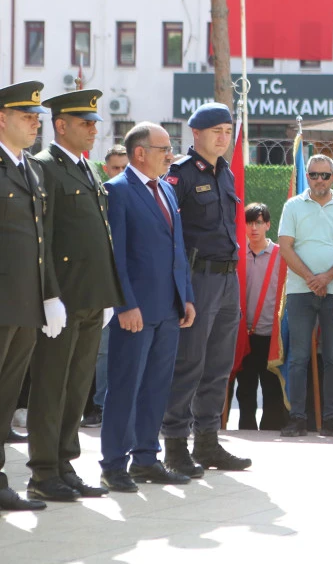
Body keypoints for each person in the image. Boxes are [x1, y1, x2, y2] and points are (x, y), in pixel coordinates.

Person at [26, 90, 124, 502]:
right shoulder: (44, 167)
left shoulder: (88, 169)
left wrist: (106, 296)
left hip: (90, 295)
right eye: (85, 122)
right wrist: (49, 295)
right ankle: (43, 470)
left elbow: (98, 237)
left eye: (94, 122)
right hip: (62, 298)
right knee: (52, 385)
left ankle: (64, 463)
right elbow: (41, 239)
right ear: (60, 125)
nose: (93, 128)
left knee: (78, 385)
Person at [101, 123, 197, 492]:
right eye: (163, 148)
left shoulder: (167, 192)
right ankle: (113, 464)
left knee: (156, 387)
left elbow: (177, 248)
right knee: (125, 386)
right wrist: (125, 304)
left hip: (169, 308)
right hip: (135, 311)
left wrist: (185, 295)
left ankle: (145, 459)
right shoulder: (118, 191)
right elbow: (115, 256)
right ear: (139, 152)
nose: (170, 154)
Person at [161, 103, 249, 477]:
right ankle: (176, 445)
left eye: (228, 131)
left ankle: (208, 442)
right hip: (197, 280)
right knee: (189, 364)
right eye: (216, 131)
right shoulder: (179, 175)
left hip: (228, 279)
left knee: (218, 366)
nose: (223, 137)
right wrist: (180, 291)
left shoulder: (226, 174)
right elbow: (168, 235)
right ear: (195, 134)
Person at [0, 81, 60, 511]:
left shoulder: (30, 169)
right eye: (26, 116)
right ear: (1, 118)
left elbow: (42, 242)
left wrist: (50, 294)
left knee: (6, 394)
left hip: (25, 302)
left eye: (37, 117)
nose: (35, 123)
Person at [277, 154, 333, 437]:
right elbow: (285, 246)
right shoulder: (293, 206)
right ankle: (297, 418)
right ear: (307, 176)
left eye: (325, 175)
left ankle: (332, 418)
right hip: (300, 291)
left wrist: (327, 277)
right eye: (314, 175)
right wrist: (312, 278)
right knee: (297, 357)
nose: (319, 180)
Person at [230, 203, 287, 431]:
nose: (254, 228)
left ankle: (270, 432)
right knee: (245, 390)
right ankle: (246, 430)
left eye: (259, 223)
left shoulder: (281, 255)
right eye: (249, 223)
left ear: (268, 225)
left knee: (272, 388)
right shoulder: (235, 255)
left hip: (270, 335)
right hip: (242, 334)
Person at [85, 144, 128, 430]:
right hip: (103, 284)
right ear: (105, 170)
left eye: (125, 168)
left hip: (132, 287)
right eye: (115, 168)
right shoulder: (99, 199)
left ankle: (126, 404)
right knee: (102, 351)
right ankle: (99, 405)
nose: (121, 174)